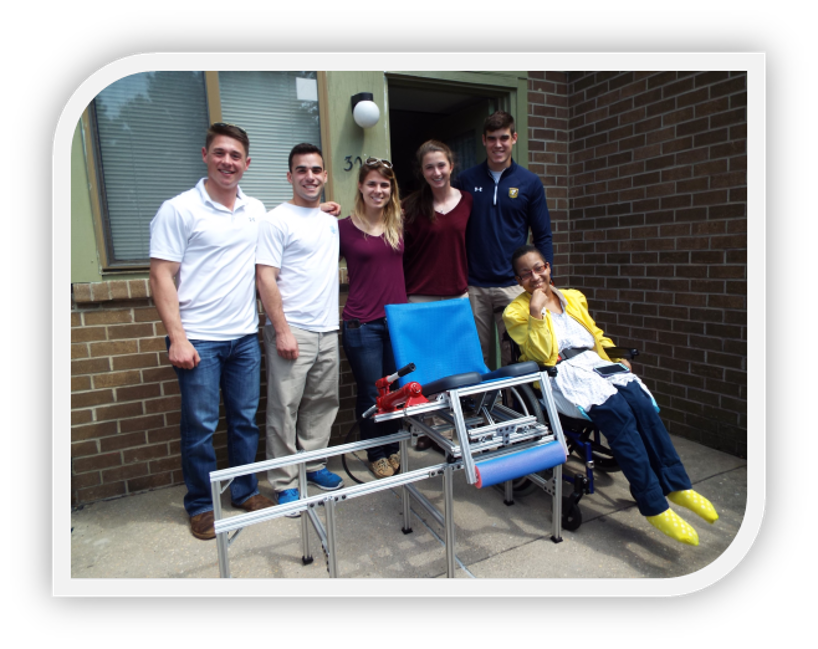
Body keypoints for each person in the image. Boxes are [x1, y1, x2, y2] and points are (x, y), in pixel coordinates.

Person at [503, 245, 718, 546]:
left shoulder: (573, 297)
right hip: (562, 374)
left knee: (642, 405)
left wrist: (617, 356)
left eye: (539, 268)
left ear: (548, 267)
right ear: (518, 280)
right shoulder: (515, 311)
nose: (535, 277)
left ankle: (677, 486)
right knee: (618, 413)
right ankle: (654, 505)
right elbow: (542, 356)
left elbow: (596, 336)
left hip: (596, 364)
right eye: (526, 274)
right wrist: (536, 312)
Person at [149, 122, 275, 540]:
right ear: (205, 156)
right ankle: (202, 505)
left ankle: (244, 491)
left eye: (236, 156)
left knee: (244, 421)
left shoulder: (255, 209)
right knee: (200, 426)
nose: (227, 162)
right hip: (198, 338)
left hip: (244, 337)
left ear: (247, 163)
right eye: (220, 153)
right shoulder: (179, 209)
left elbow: (287, 226)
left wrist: (324, 209)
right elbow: (161, 276)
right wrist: (178, 337)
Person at [256, 143, 344, 514]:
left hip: (328, 329)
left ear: (325, 176)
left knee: (322, 404)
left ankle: (314, 464)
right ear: (289, 177)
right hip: (293, 330)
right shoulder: (276, 220)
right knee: (284, 408)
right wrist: (281, 330)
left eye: (316, 170)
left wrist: (324, 208)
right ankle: (284, 482)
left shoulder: (329, 220)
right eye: (301, 170)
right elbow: (265, 277)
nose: (310, 176)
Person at [456, 111, 553, 369]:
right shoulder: (466, 180)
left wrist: (543, 282)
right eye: (492, 139)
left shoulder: (530, 183)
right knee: (476, 359)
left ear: (514, 138)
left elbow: (542, 234)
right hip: (473, 285)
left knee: (516, 357)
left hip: (514, 286)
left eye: (503, 138)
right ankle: (478, 409)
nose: (498, 145)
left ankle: (513, 407)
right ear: (484, 141)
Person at [339, 157, 406, 478]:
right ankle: (375, 452)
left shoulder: (399, 223)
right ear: (361, 187)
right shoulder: (342, 228)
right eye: (372, 184)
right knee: (370, 392)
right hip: (361, 324)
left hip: (396, 324)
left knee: (396, 391)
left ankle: (392, 446)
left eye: (384, 184)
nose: (378, 190)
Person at [402, 140, 472, 303]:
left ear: (451, 166)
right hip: (420, 294)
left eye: (441, 165)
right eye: (429, 167)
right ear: (422, 171)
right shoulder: (409, 206)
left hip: (457, 294)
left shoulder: (467, 201)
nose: (436, 172)